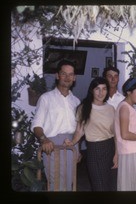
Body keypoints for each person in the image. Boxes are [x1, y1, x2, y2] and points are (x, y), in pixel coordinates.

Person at [31, 59, 80, 191]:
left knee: (69, 183)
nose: (67, 77)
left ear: (74, 78)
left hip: (71, 145)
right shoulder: (46, 98)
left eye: (71, 74)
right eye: (64, 74)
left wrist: (78, 149)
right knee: (55, 184)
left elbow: (78, 129)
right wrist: (44, 139)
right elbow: (36, 124)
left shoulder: (76, 101)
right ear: (57, 75)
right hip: (52, 145)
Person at [64, 77, 118, 191]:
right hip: (94, 150)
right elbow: (79, 131)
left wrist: (117, 154)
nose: (101, 92)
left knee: (111, 186)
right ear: (92, 91)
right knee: (99, 187)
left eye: (104, 89)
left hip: (110, 148)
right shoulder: (84, 108)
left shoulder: (111, 109)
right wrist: (72, 142)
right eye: (97, 89)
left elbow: (116, 134)